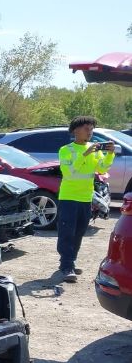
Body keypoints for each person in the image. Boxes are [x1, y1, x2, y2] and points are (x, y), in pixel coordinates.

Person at [56, 116, 115, 282]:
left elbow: (102, 168)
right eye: (86, 129)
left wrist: (109, 154)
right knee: (67, 232)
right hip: (68, 197)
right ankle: (66, 266)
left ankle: (71, 262)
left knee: (79, 233)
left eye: (91, 129)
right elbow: (69, 173)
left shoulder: (93, 148)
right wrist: (84, 154)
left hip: (85, 198)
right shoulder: (66, 150)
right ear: (76, 130)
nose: (90, 132)